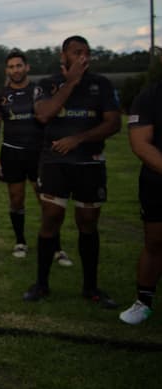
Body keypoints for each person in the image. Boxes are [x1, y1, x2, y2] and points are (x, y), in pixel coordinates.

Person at [22, 35, 121, 307]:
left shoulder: (101, 84)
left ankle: (91, 287)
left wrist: (79, 139)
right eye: (76, 52)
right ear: (63, 56)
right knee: (51, 218)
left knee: (88, 222)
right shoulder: (48, 84)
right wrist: (72, 82)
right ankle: (41, 284)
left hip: (89, 163)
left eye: (86, 52)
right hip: (54, 164)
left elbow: (114, 123)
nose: (82, 57)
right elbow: (43, 114)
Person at [0, 50, 72, 265]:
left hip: (39, 154)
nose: (15, 70)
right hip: (11, 153)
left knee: (47, 203)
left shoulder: (39, 91)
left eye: (19, 65)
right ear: (7, 70)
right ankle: (20, 242)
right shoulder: (1, 96)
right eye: (11, 67)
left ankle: (56, 248)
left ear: (27, 67)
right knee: (16, 200)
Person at [120, 80, 162, 324]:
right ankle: (143, 301)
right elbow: (140, 143)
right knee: (155, 242)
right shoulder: (150, 95)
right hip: (156, 181)